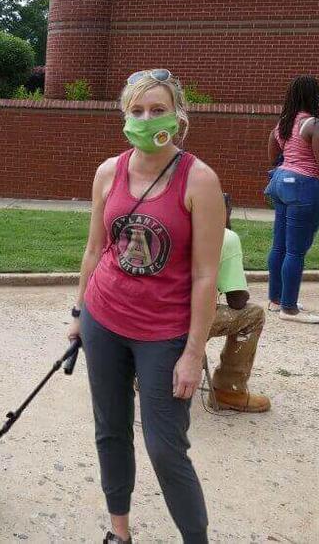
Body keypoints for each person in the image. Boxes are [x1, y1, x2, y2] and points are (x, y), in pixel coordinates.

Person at [69, 69, 225, 544]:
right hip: (104, 318)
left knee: (165, 447)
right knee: (111, 430)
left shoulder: (199, 180)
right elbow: (95, 252)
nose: (146, 118)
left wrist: (194, 353)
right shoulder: (108, 172)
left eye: (157, 109)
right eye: (136, 110)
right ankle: (120, 531)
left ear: (178, 115)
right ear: (124, 115)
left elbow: (205, 276)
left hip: (164, 333)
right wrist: (78, 316)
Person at [265, 76, 319, 324]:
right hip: (305, 187)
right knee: (296, 250)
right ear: (314, 97)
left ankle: (276, 300)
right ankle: (289, 308)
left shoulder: (284, 124)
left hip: (281, 183)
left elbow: (273, 154)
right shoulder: (315, 124)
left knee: (280, 246)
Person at [208, 193, 270, 413]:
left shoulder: (164, 224)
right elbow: (237, 300)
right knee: (253, 314)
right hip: (181, 322)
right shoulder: (223, 236)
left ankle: (145, 373)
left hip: (142, 317)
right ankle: (229, 389)